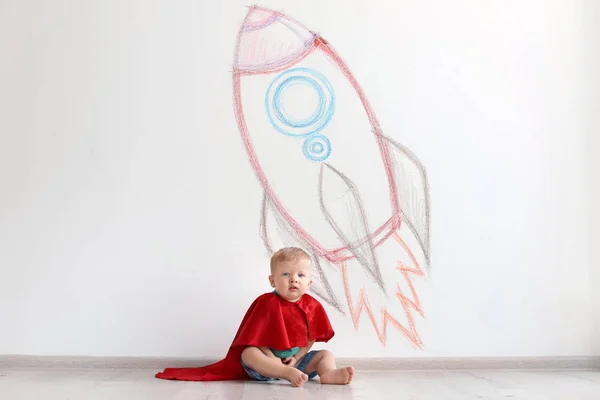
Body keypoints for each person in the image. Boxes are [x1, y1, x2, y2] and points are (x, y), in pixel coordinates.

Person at [155, 247, 355, 387]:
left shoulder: (313, 306)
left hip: (298, 365)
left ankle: (328, 374)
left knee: (325, 355)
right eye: (286, 274)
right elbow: (255, 338)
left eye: (300, 275)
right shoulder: (266, 303)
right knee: (248, 353)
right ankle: (284, 374)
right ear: (272, 280)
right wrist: (274, 362)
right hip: (267, 365)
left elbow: (311, 338)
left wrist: (296, 358)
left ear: (309, 283)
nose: (294, 279)